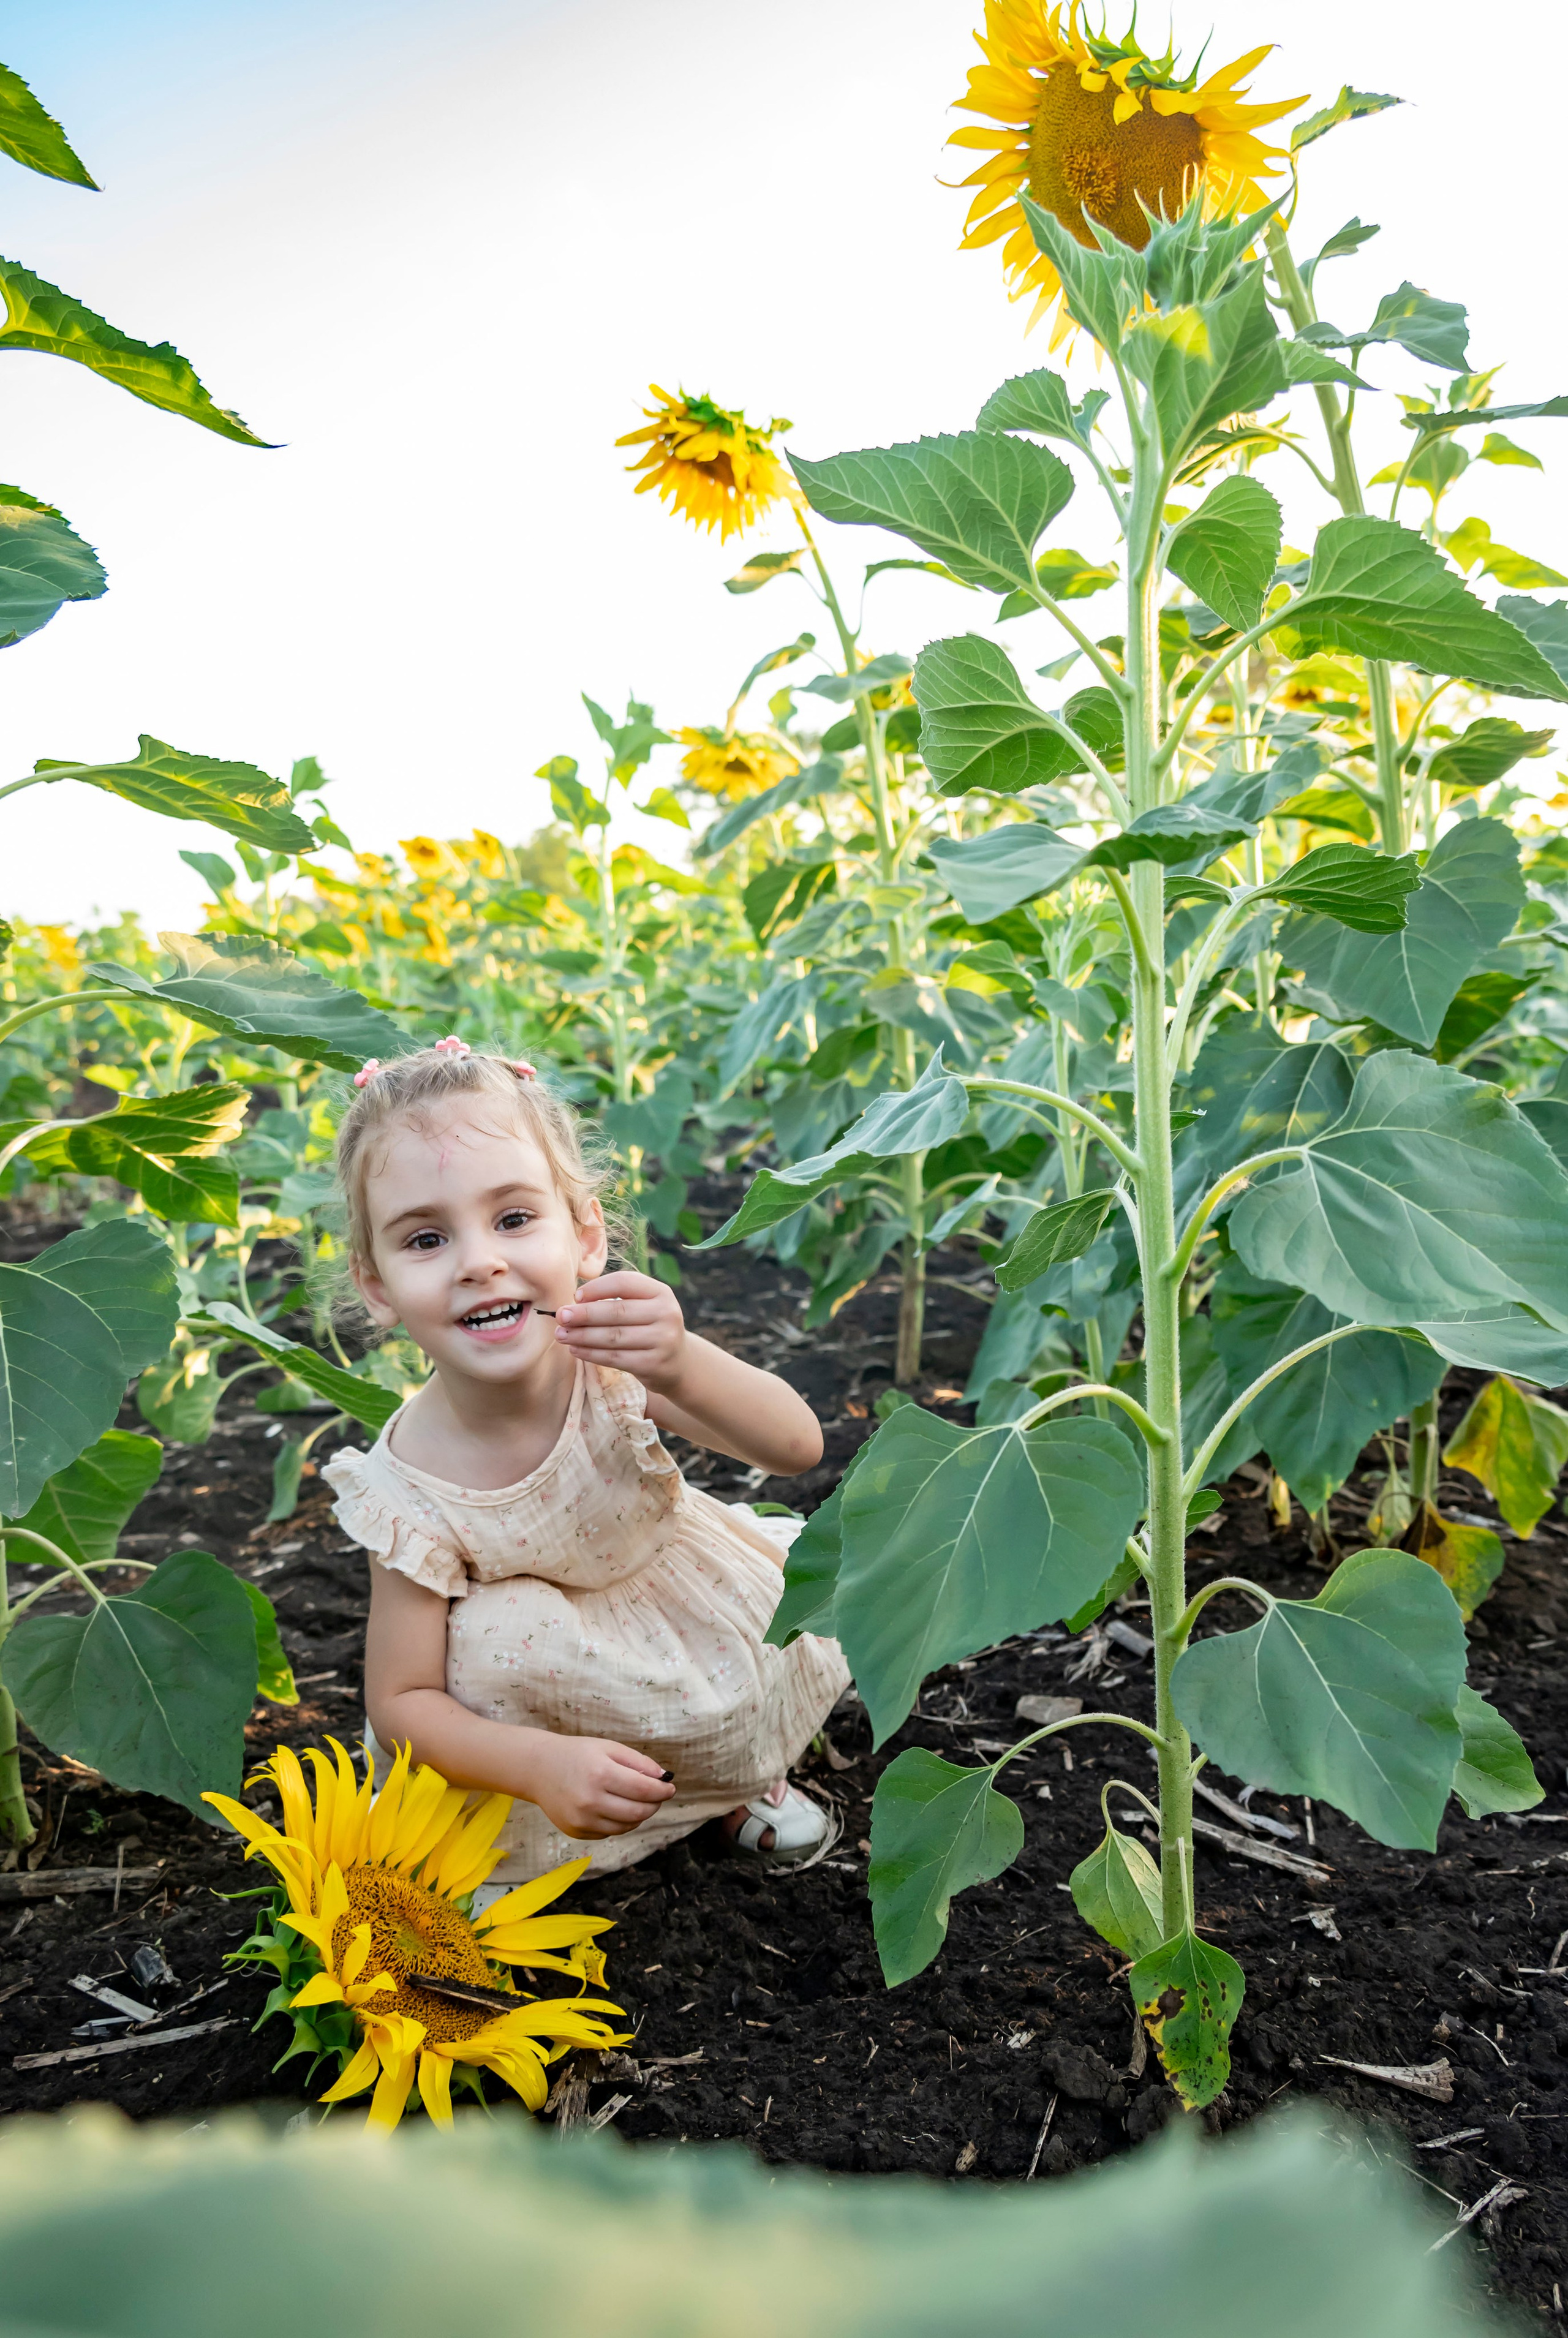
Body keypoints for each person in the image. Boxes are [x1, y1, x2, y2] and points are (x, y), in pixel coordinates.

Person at [321, 1038, 848, 1893]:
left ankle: (731, 1782)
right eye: (426, 1237)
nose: (480, 1260)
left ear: (588, 1234)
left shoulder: (614, 1361)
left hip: (684, 1623)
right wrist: (536, 1764)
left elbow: (797, 1447)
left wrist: (680, 1361)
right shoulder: (405, 1484)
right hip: (542, 1693)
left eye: (515, 1218)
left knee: (750, 1662)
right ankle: (562, 1817)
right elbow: (404, 1701)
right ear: (377, 1285)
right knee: (491, 1650)